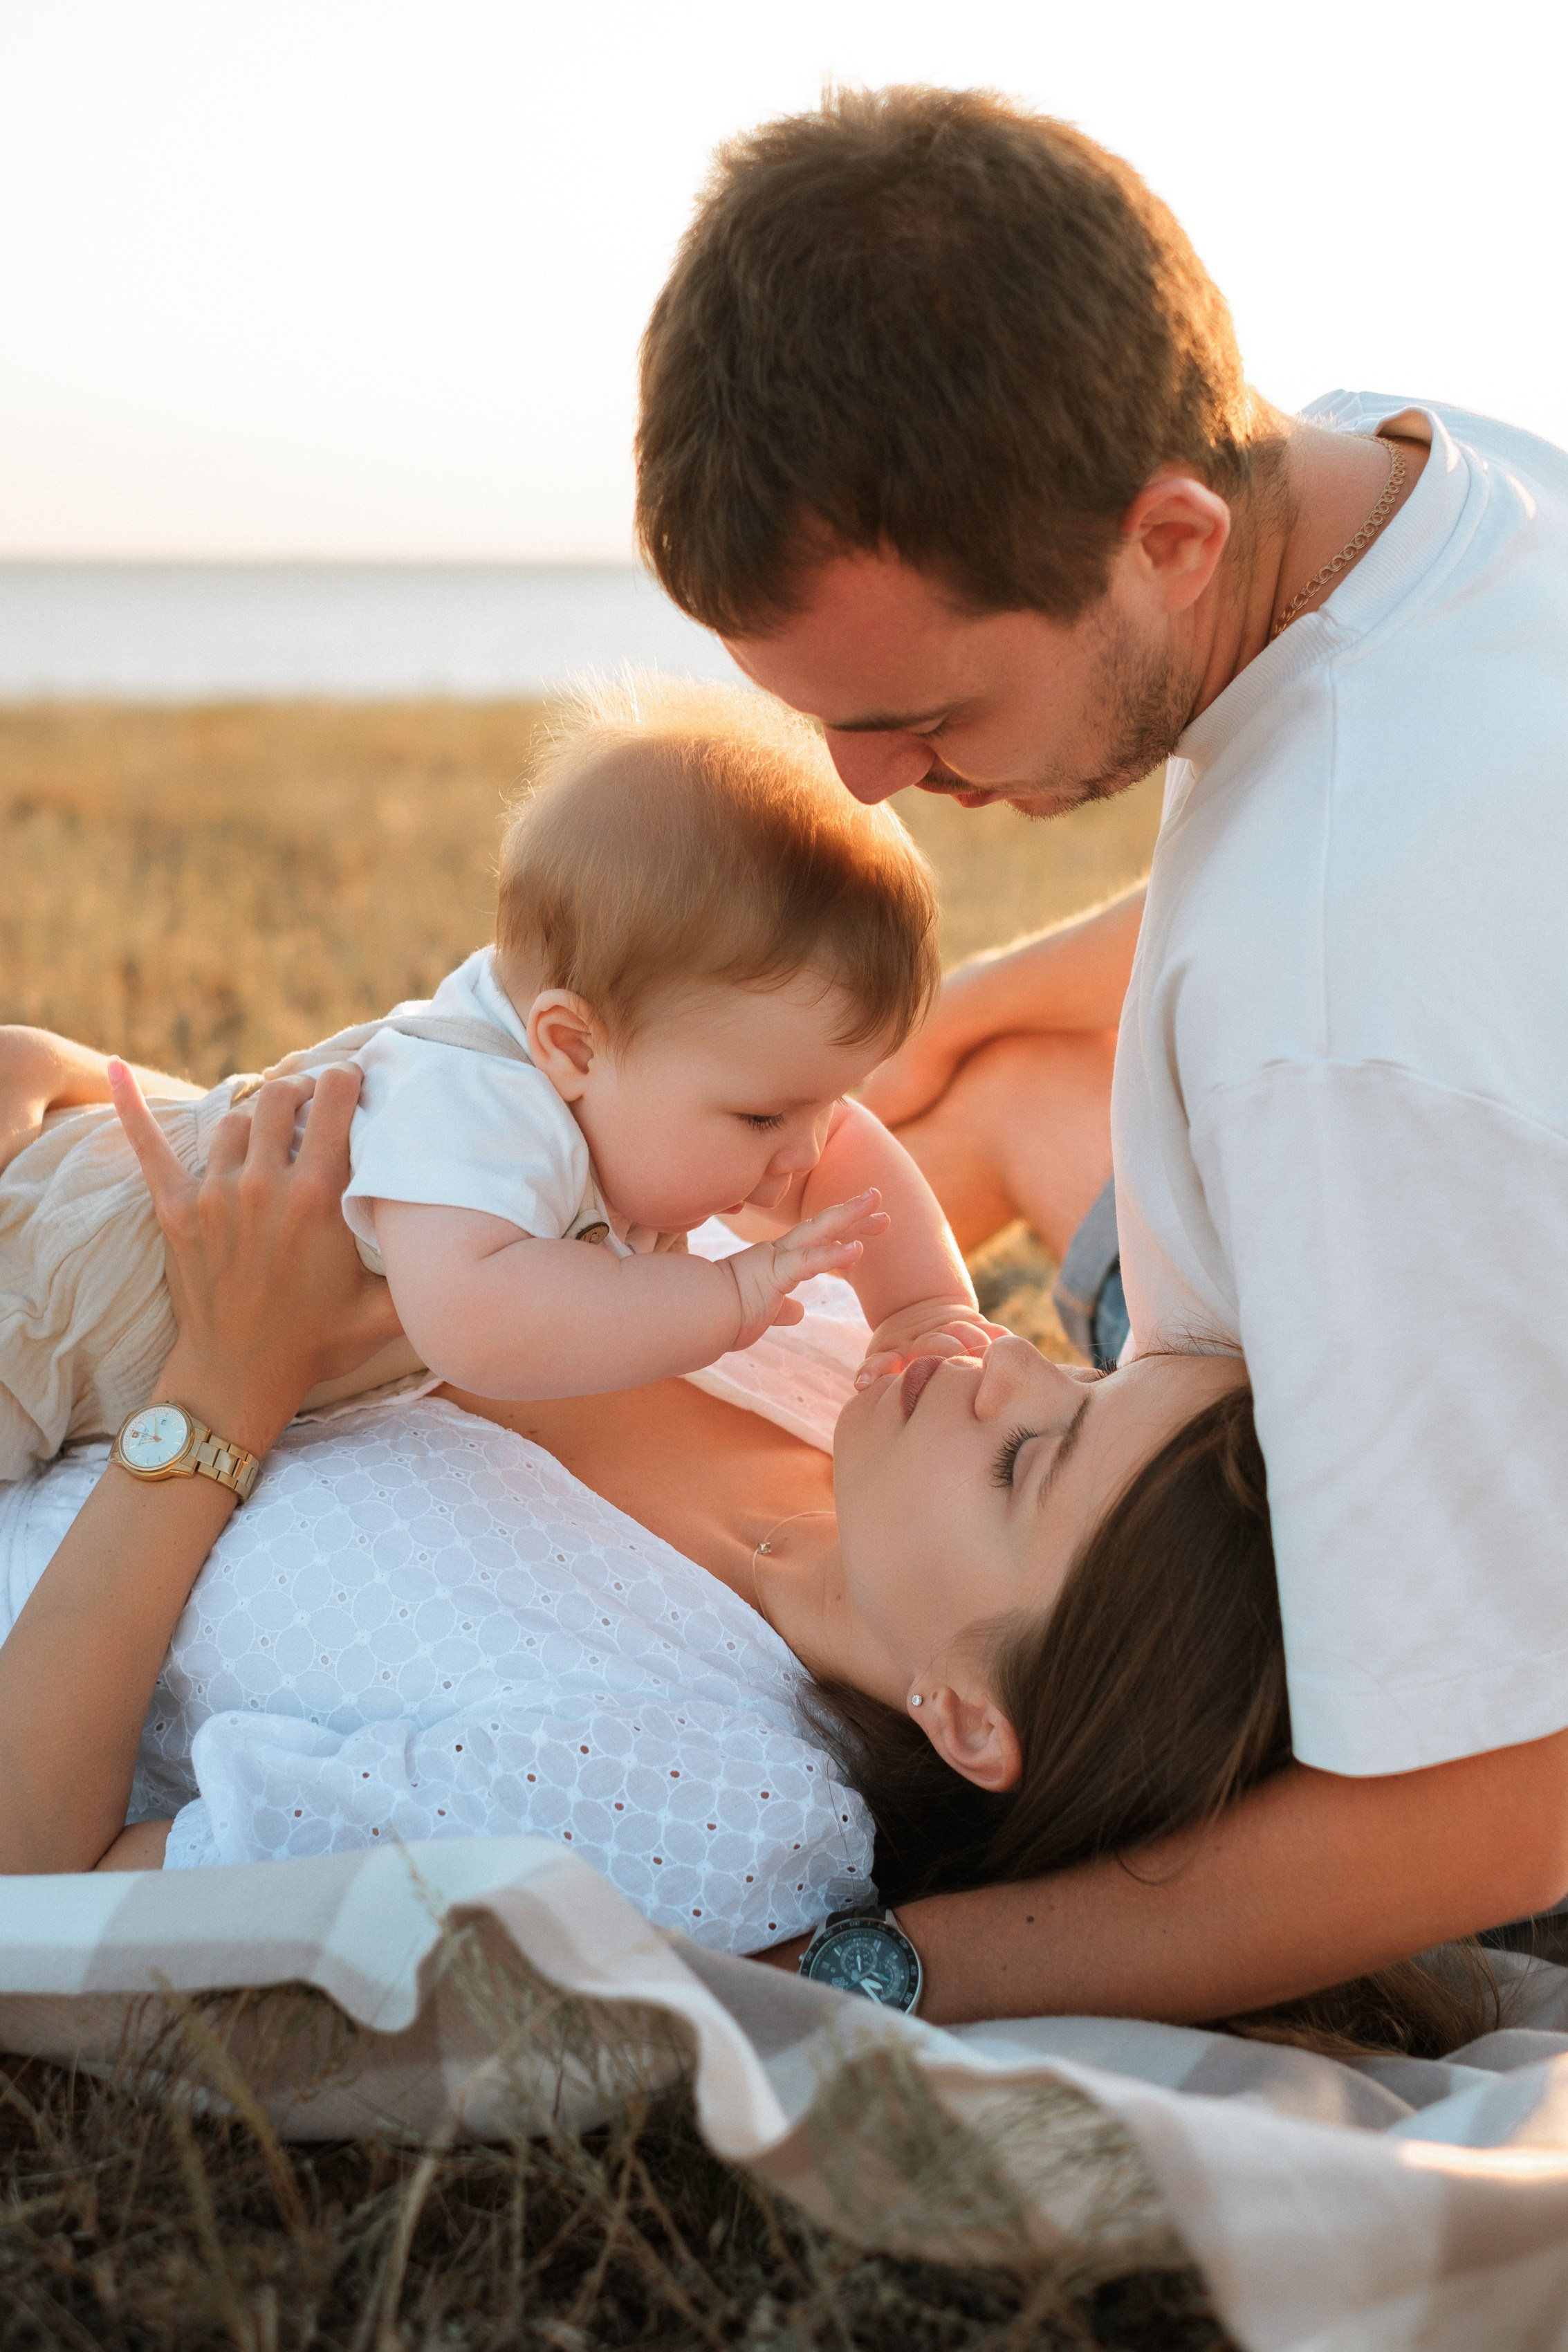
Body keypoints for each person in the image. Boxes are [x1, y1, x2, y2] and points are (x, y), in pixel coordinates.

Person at [632, 84, 1568, 2019]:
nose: (864, 785)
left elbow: (1502, 1801)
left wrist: (865, 1970)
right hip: (1408, 1213)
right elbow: (1322, 892)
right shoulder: (1415, 494)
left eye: (922, 713)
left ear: (1168, 536)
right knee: (987, 1094)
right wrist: (941, 1023)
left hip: (1474, 1614)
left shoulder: (1333, 1041)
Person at [0, 1045, 1500, 2059]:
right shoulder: (823, 1352)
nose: (1008, 1362)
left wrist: (220, 1388)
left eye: (1035, 1456)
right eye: (1088, 1378)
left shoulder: (708, 1794)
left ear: (972, 1711)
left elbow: (34, 1873)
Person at [0, 680, 988, 1485]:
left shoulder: (637, 1049)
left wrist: (922, 1310)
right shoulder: (481, 1102)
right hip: (53, 1301)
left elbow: (847, 1159)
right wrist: (722, 1296)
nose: (807, 1148)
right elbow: (477, 1325)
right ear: (571, 1046)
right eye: (768, 1114)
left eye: (821, 1099)